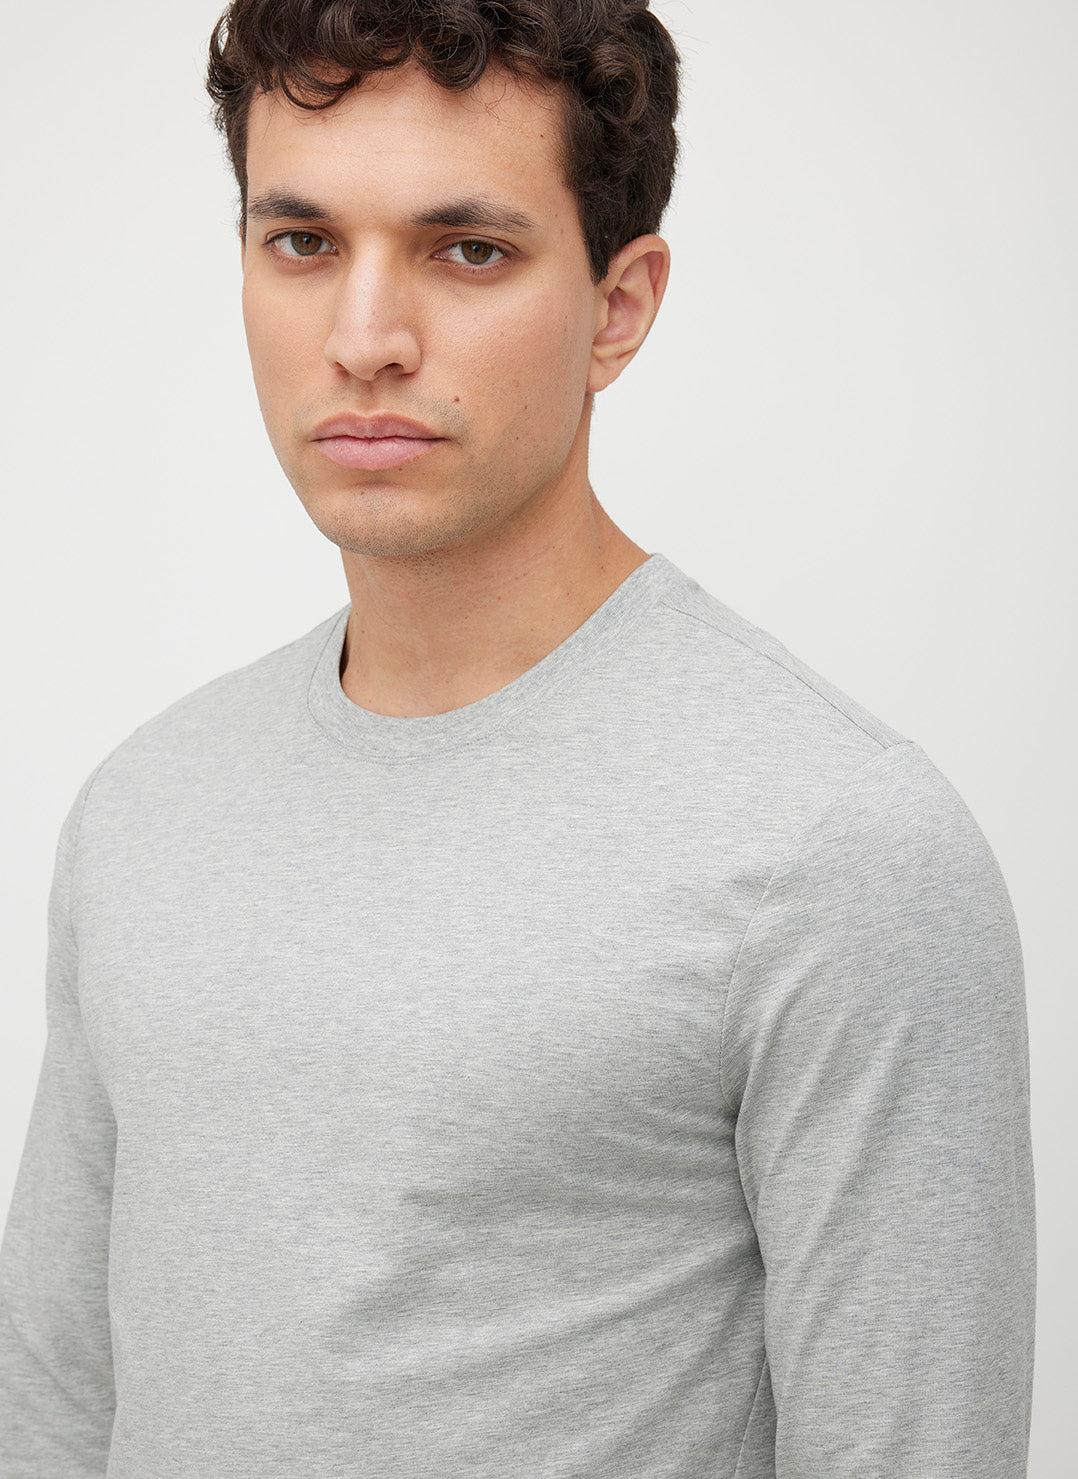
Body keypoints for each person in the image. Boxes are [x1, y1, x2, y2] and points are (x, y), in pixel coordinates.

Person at [0, 1, 1035, 1475]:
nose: (364, 340)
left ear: (618, 307)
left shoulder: (836, 846)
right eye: (301, 242)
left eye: (467, 251)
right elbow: (51, 1408)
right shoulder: (146, 806)